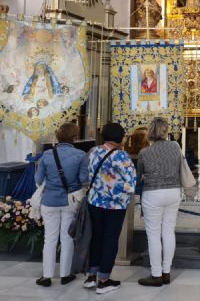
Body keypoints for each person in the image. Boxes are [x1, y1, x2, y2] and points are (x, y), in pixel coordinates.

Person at [82, 123, 136, 295]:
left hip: (95, 201)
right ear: (120, 137)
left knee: (96, 236)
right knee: (110, 239)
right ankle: (104, 280)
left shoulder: (93, 152)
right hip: (115, 204)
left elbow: (88, 174)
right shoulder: (122, 156)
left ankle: (91, 275)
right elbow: (131, 184)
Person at [34, 122, 88, 287]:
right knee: (67, 238)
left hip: (49, 201)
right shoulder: (80, 155)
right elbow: (84, 180)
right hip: (69, 202)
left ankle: (46, 276)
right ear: (75, 137)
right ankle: (65, 275)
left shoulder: (47, 155)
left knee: (49, 238)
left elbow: (38, 180)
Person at [136, 117, 182, 287]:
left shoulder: (144, 152)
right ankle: (166, 272)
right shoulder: (176, 147)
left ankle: (156, 275)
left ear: (149, 132)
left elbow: (140, 174)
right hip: (173, 191)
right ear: (166, 130)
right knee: (169, 231)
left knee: (154, 234)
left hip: (153, 192)